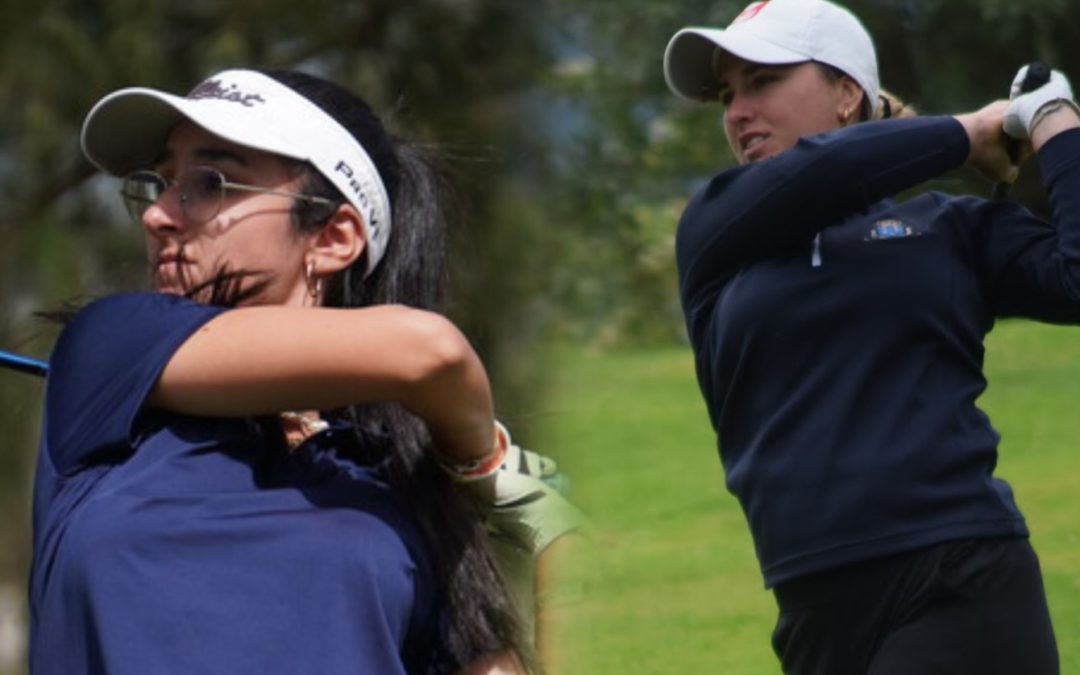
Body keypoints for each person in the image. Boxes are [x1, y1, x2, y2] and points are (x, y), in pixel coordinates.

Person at [29, 68, 534, 674]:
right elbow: (429, 352)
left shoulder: (396, 487)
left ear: (332, 237)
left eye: (211, 182)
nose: (158, 214)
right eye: (161, 182)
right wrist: (485, 466)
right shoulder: (111, 351)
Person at [662, 0, 1079, 673]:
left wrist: (1055, 123)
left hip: (960, 578)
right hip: (812, 615)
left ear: (847, 93)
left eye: (762, 81)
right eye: (726, 92)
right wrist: (966, 131)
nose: (737, 111)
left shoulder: (948, 229)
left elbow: (1075, 276)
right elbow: (824, 174)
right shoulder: (715, 234)